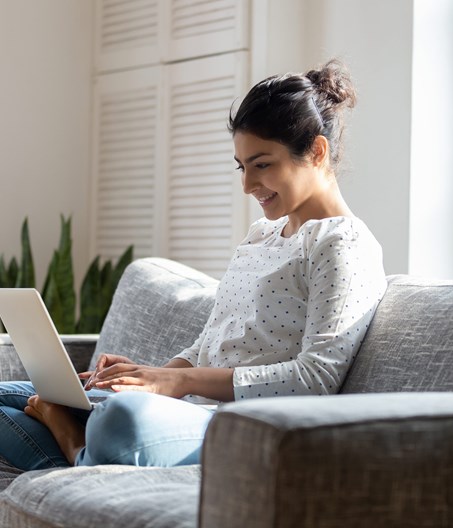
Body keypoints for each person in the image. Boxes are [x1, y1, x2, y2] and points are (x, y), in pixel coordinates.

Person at [0, 58, 387, 471]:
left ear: (316, 150)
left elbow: (315, 380)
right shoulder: (262, 235)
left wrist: (176, 383)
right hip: (186, 413)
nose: (247, 185)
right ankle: (81, 462)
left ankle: (72, 440)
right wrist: (146, 377)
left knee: (119, 420)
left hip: (244, 425)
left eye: (262, 165)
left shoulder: (342, 243)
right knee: (14, 396)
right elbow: (209, 345)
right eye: (242, 167)